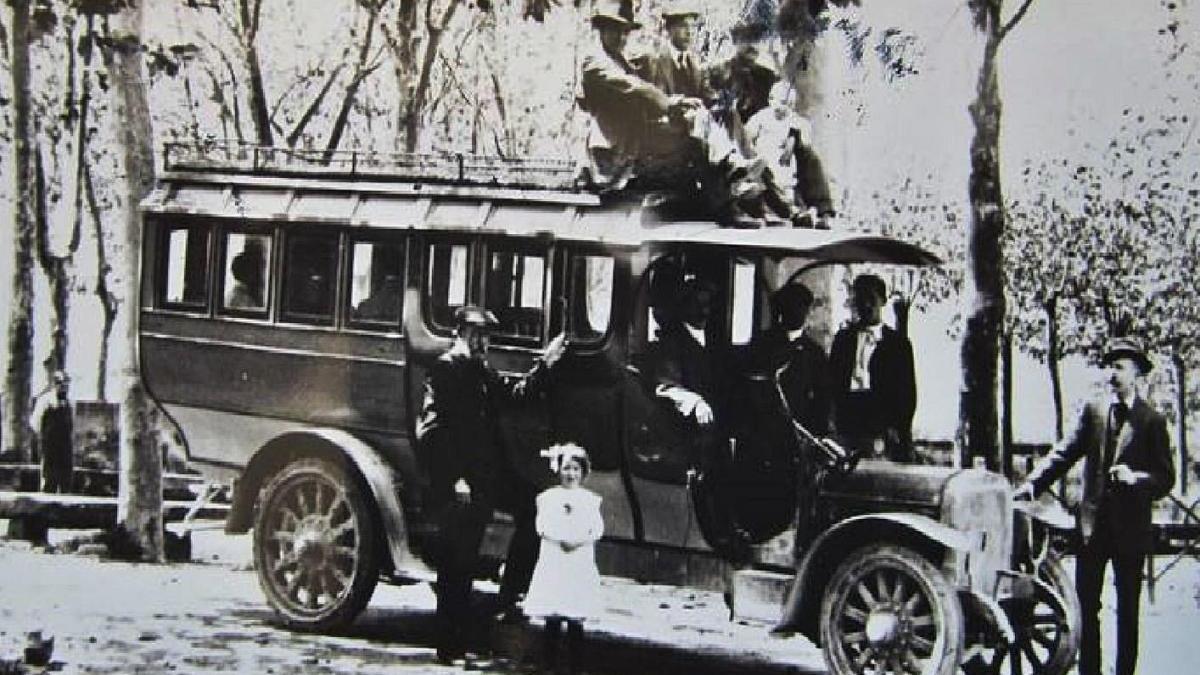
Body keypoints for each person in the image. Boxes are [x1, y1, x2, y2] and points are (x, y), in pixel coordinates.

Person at [415, 306, 567, 664]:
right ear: (460, 334)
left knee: (533, 507)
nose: (483, 342)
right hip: (462, 484)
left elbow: (514, 394)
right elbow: (431, 431)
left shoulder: (479, 369)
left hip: (489, 477)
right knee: (458, 563)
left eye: (486, 336)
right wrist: (455, 479)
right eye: (476, 335)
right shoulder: (445, 369)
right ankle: (449, 649)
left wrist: (545, 364)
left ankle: (510, 592)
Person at [1015, 337, 1174, 675]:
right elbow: (1064, 452)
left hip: (1131, 531)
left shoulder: (1152, 421)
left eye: (1119, 367)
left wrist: (1137, 479)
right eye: (1109, 367)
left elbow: (1165, 478)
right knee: (1087, 608)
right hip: (1091, 529)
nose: (1112, 374)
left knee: (1128, 611)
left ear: (1136, 374)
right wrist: (1032, 485)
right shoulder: (1094, 411)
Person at [577, 0, 775, 225]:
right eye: (614, 31)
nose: (621, 38)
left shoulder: (620, 59)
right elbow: (634, 88)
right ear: (600, 28)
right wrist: (672, 104)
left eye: (625, 32)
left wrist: (687, 103)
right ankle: (733, 172)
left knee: (701, 125)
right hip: (613, 155)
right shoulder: (594, 62)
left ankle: (736, 196)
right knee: (696, 121)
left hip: (637, 142)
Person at [522, 443, 604, 675]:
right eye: (566, 468)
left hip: (577, 562)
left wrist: (578, 541)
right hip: (556, 560)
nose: (571, 474)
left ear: (584, 472)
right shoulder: (548, 498)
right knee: (554, 615)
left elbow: (596, 529)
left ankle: (576, 667)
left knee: (575, 616)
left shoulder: (590, 500)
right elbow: (542, 526)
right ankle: (549, 665)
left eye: (576, 469)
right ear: (558, 470)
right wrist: (560, 539)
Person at [828, 274, 916, 462]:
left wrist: (897, 427)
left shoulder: (898, 344)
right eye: (860, 300)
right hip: (847, 419)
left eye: (871, 299)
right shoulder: (843, 339)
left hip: (881, 421)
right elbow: (831, 383)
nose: (866, 305)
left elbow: (907, 393)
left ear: (883, 301)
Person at [755, 282, 831, 435]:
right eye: (790, 306)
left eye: (801, 306)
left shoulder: (814, 352)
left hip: (800, 430)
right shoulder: (762, 344)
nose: (796, 312)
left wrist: (816, 433)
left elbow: (823, 398)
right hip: (764, 427)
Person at [635, 1, 713, 100]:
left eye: (692, 26)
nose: (689, 32)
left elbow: (707, 97)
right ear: (669, 29)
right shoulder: (652, 62)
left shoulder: (695, 64)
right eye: (683, 26)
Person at [39, 371, 74, 494]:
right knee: (50, 474)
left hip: (65, 443)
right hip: (50, 442)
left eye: (66, 384)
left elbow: (71, 423)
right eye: (60, 384)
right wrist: (44, 438)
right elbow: (36, 422)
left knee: (66, 474)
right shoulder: (45, 400)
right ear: (55, 384)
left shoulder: (70, 402)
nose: (64, 387)